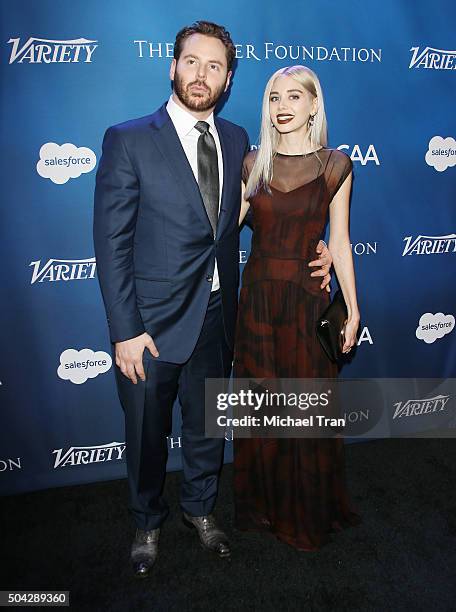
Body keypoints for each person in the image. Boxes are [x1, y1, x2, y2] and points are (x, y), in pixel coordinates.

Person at [94, 22, 332, 577]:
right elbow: (111, 244)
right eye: (192, 62)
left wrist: (314, 244)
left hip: (220, 318)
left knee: (205, 429)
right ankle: (146, 522)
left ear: (227, 80)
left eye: (215, 66)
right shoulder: (128, 139)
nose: (202, 75)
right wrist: (124, 330)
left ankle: (200, 512)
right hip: (149, 327)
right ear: (171, 66)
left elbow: (265, 211)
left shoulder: (238, 142)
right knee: (146, 435)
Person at [234, 65, 362, 551]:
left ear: (313, 105)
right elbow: (222, 231)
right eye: (273, 98)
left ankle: (306, 514)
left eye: (293, 97)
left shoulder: (336, 165)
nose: (282, 106)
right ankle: (266, 508)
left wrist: (352, 307)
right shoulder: (252, 165)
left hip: (308, 302)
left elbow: (342, 242)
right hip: (259, 302)